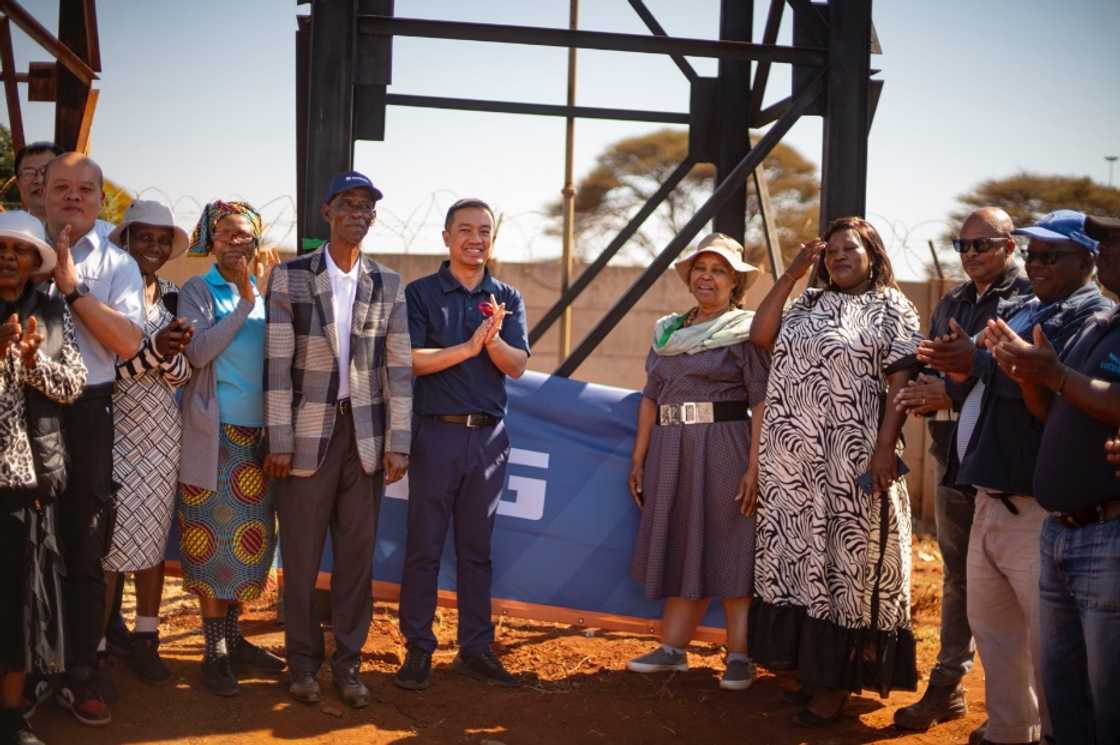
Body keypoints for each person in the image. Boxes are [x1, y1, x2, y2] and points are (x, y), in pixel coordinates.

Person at [918, 209, 1111, 745]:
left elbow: (1045, 384)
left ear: (1087, 261)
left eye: (1052, 255)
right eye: (1032, 253)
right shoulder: (1023, 308)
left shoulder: (1090, 317)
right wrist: (965, 362)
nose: (1038, 263)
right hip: (988, 495)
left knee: (1049, 649)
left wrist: (981, 361)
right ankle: (1009, 732)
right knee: (996, 635)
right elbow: (986, 366)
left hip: (1037, 506)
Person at [748, 217, 922, 726]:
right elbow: (762, 336)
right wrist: (792, 274)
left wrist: (885, 449)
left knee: (846, 567)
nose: (839, 257)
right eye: (832, 251)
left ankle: (835, 685)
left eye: (850, 248)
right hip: (791, 462)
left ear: (873, 253)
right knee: (799, 564)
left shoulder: (892, 307)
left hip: (851, 462)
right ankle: (809, 670)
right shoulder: (807, 301)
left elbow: (901, 383)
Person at [264, 171, 412, 708]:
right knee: (301, 560)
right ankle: (302, 664)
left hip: (366, 438)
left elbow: (398, 368)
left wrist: (400, 442)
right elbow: (278, 367)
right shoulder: (291, 278)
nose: (360, 214)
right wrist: (279, 437)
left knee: (356, 561)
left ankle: (348, 666)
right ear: (327, 211)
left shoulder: (387, 284)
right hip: (305, 436)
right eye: (350, 204)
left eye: (368, 207)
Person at [892, 207, 1031, 732]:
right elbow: (933, 364)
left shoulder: (1026, 302)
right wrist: (937, 386)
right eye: (963, 245)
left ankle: (1018, 713)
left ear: (1010, 245)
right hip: (953, 457)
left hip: (1004, 466)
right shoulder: (952, 301)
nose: (971, 254)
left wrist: (948, 386)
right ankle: (948, 687)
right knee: (960, 580)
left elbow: (1010, 375)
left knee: (1016, 589)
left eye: (982, 244)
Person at [982, 213, 1119, 745]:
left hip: (1106, 533)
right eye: (1102, 243)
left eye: (1113, 245)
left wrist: (1052, 373)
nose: (1106, 252)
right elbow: (1055, 414)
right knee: (1063, 695)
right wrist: (1031, 377)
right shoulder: (1098, 327)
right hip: (1060, 532)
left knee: (1107, 696)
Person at [395, 198, 529, 691]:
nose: (476, 239)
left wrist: (491, 341)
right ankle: (418, 649)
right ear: (447, 236)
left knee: (476, 551)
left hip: (489, 440)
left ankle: (475, 648)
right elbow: (410, 359)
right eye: (466, 230)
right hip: (437, 434)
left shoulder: (504, 296)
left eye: (485, 231)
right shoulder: (422, 294)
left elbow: (516, 364)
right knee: (423, 548)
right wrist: (469, 348)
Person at [625, 233, 768, 691]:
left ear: (735, 282)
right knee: (683, 538)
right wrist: (639, 457)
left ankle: (740, 655)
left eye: (719, 270)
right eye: (701, 269)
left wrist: (754, 467)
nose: (707, 277)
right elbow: (651, 396)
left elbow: (761, 402)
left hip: (724, 444)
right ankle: (673, 650)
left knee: (731, 541)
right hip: (672, 449)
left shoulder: (748, 331)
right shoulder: (667, 332)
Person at [43, 153, 144, 727]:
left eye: (86, 189)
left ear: (100, 200)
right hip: (21, 412)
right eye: (63, 187)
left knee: (85, 543)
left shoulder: (117, 265)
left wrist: (75, 292)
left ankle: (82, 670)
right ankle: (28, 667)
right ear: (44, 193)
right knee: (24, 539)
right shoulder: (17, 251)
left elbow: (128, 342)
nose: (74, 197)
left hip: (87, 410)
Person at [177, 201, 284, 697]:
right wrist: (242, 300)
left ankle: (236, 639)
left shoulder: (271, 289)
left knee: (249, 543)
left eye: (244, 234)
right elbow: (197, 352)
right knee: (210, 543)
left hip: (259, 439)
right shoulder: (200, 290)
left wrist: (260, 293)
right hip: (213, 437)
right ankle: (213, 651)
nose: (235, 241)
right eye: (225, 233)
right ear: (209, 239)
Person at [0, 211, 85, 745]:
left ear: (36, 263)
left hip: (20, 480)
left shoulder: (52, 314)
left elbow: (74, 383)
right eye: (1, 249)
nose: (9, 258)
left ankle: (11, 716)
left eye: (20, 251)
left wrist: (32, 362)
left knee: (15, 602)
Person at [101, 202, 193, 686]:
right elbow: (107, 375)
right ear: (126, 240)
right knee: (111, 547)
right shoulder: (110, 294)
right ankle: (94, 651)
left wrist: (155, 358)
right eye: (145, 238)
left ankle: (146, 639)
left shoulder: (175, 299)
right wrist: (156, 355)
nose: (154, 248)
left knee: (152, 544)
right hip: (115, 432)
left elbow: (183, 373)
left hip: (162, 435)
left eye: (162, 240)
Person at [12, 142, 63, 220]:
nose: (39, 180)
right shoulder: (5, 228)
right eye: (29, 173)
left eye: (46, 171)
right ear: (18, 184)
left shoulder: (87, 230)